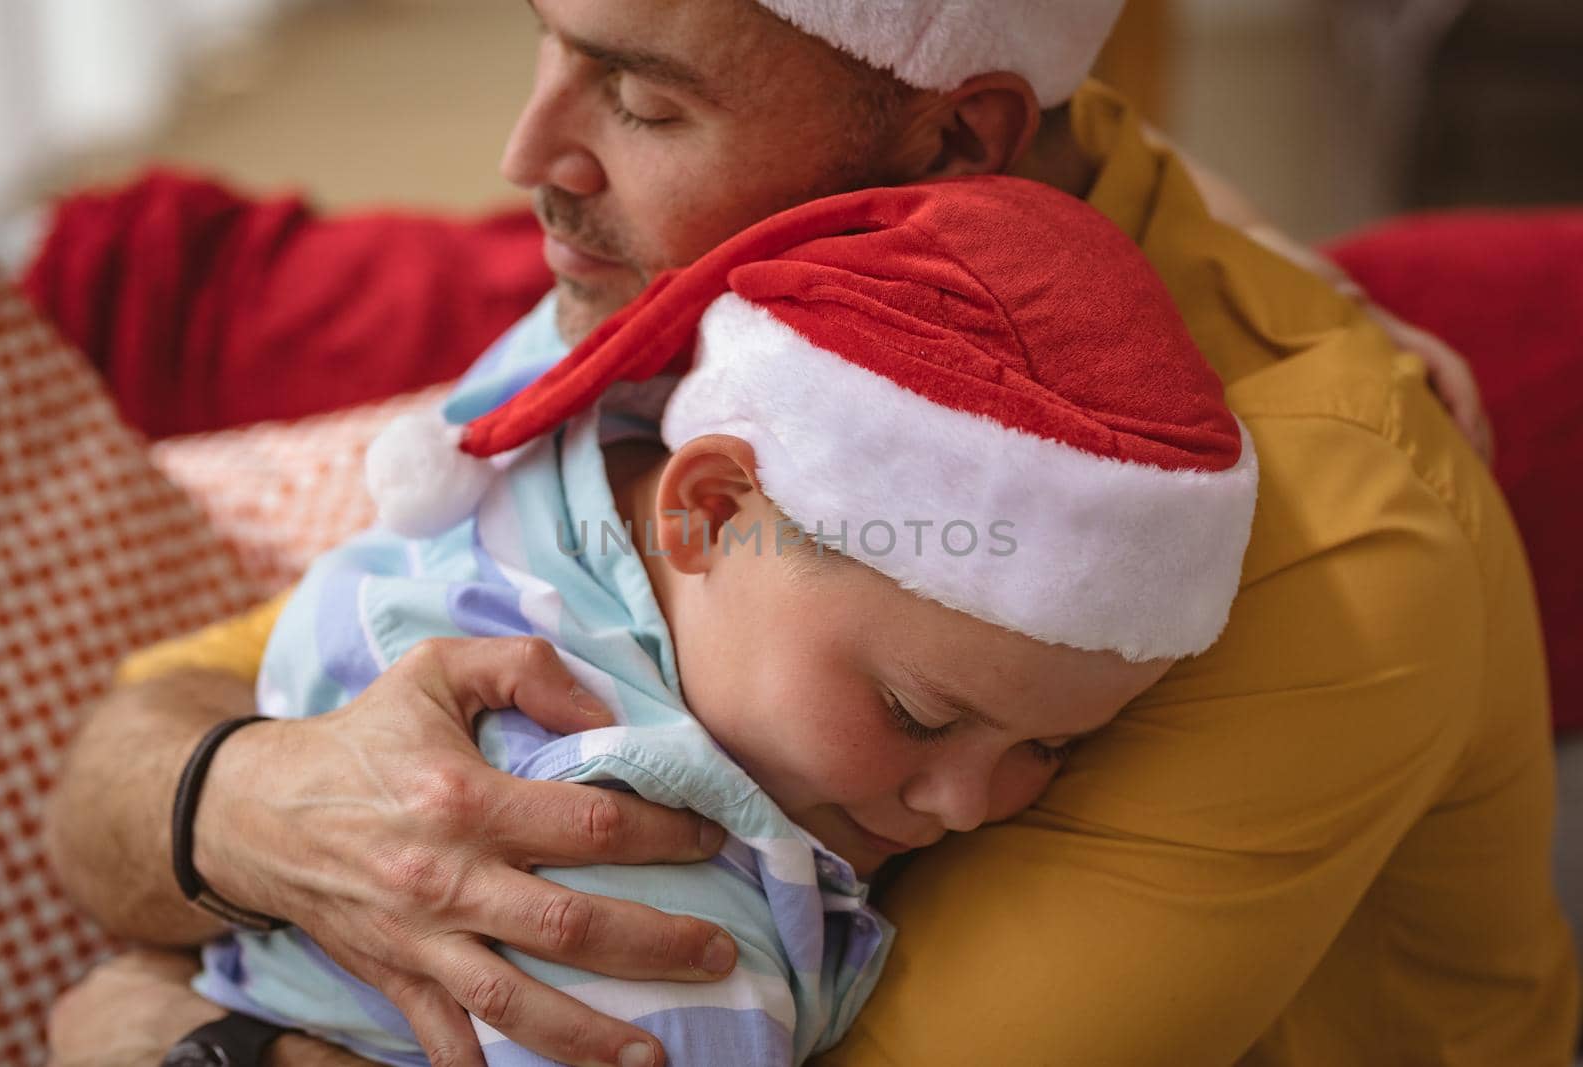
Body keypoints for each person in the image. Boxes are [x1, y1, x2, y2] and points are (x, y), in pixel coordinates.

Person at [45, 1, 1579, 1065]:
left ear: (959, 140)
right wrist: (228, 803)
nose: (530, 157)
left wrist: (182, 1037)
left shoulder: (1313, 546)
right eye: (552, 47)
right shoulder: (768, 298)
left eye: (646, 97)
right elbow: (143, 726)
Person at [185, 176, 1255, 1066]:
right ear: (709, 510)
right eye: (916, 715)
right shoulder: (664, 933)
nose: (969, 807)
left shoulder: (555, 434)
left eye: (1052, 745)